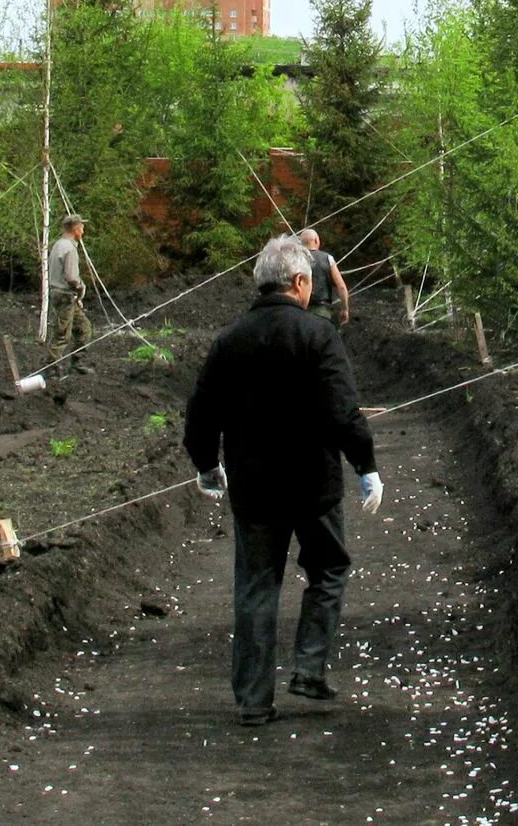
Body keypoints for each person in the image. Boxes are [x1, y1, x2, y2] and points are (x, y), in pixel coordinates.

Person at [184, 233, 383, 726]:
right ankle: (309, 668)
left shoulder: (230, 340)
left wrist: (207, 464)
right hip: (315, 485)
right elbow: (344, 410)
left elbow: (200, 413)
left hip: (255, 489)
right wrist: (366, 466)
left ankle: (253, 701)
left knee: (256, 588)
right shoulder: (318, 336)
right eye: (311, 282)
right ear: (299, 281)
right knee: (330, 569)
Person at [45, 213, 94, 377]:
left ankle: (77, 363)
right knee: (62, 335)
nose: (83, 230)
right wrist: (80, 288)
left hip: (61, 294)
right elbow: (71, 277)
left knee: (84, 328)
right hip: (65, 296)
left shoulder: (58, 245)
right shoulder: (69, 249)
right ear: (75, 229)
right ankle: (52, 369)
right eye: (82, 227)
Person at [297, 226, 351, 328]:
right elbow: (342, 287)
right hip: (322, 312)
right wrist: (345, 309)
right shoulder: (327, 258)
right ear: (316, 240)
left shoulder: (294, 260)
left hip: (300, 312)